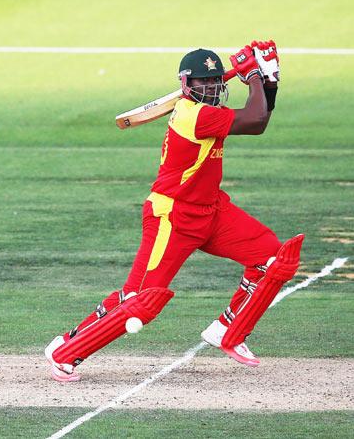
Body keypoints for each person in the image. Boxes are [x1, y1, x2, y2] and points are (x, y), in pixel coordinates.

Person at [45, 41, 303, 382]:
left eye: (215, 84)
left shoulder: (208, 112)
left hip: (211, 210)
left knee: (273, 258)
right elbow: (254, 118)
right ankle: (66, 350)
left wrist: (269, 83)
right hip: (173, 216)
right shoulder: (193, 115)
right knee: (141, 299)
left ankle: (229, 330)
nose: (211, 91)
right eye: (204, 84)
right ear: (186, 84)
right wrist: (255, 74)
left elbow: (258, 122)